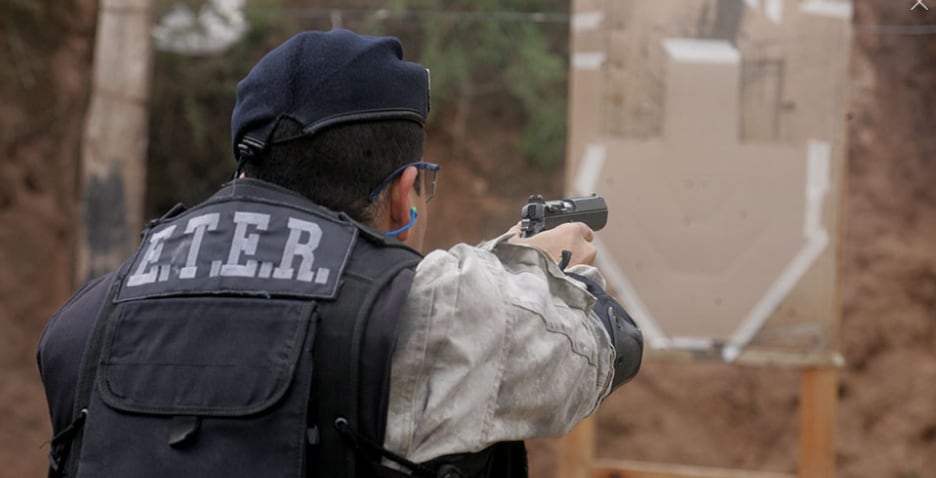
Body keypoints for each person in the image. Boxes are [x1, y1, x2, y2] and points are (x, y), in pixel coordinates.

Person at [37, 29, 642, 478]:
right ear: (406, 193)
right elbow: (605, 343)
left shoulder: (82, 322)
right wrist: (540, 265)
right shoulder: (424, 319)